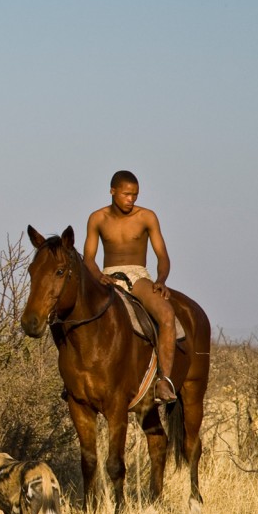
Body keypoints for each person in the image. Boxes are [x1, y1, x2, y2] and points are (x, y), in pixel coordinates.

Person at [83, 170, 177, 403]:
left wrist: (161, 280)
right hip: (106, 277)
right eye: (126, 194)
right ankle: (75, 380)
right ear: (112, 191)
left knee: (166, 315)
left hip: (137, 276)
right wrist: (97, 277)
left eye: (134, 195)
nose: (131, 200)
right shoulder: (97, 218)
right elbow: (89, 258)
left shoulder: (147, 217)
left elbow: (162, 255)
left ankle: (164, 381)